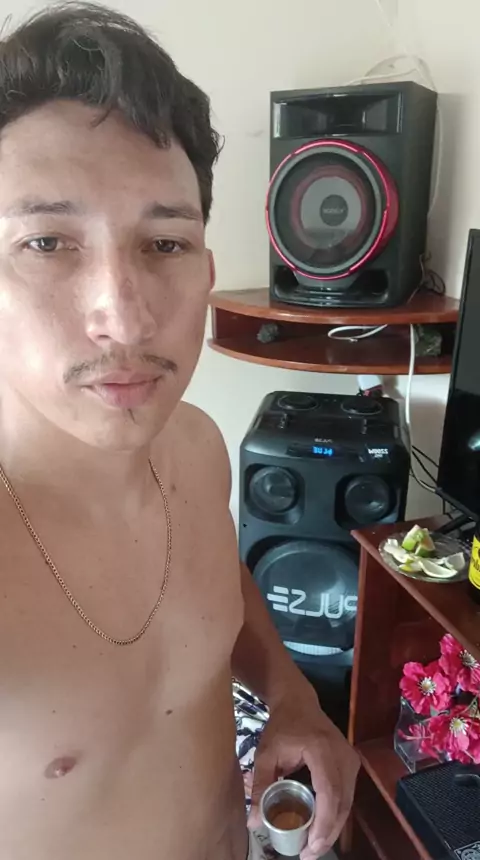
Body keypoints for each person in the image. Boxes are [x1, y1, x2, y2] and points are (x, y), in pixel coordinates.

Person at [0, 4, 359, 859]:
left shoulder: (196, 445)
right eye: (47, 242)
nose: (124, 319)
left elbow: (214, 586)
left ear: (206, 268)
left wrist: (293, 697)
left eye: (165, 243)